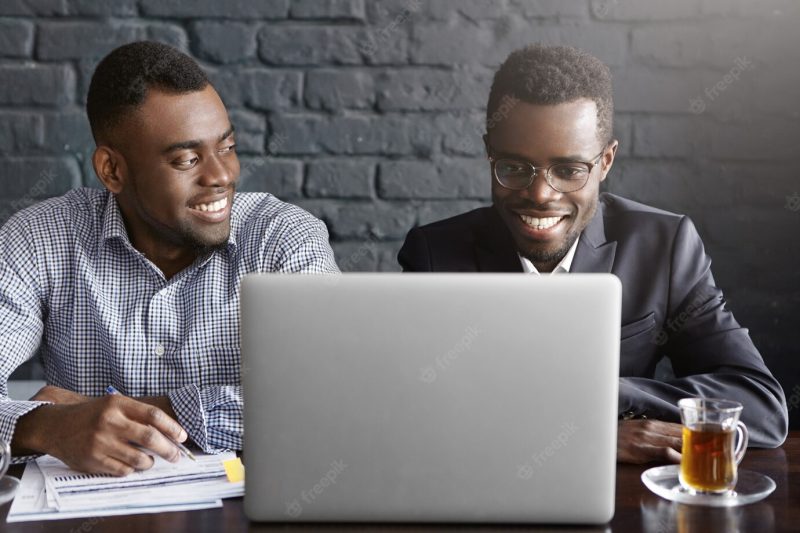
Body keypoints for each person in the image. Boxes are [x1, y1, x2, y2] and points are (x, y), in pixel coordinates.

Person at [398, 44, 788, 463]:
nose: (540, 195)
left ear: (605, 161)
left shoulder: (664, 246)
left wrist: (601, 404)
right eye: (513, 168)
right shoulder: (435, 254)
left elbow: (761, 406)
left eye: (568, 171)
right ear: (489, 153)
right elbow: (410, 414)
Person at [0, 41, 338, 475]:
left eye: (227, 146)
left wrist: (124, 414)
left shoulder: (283, 239)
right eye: (187, 158)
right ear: (112, 171)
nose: (221, 175)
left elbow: (328, 403)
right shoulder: (40, 239)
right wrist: (45, 426)